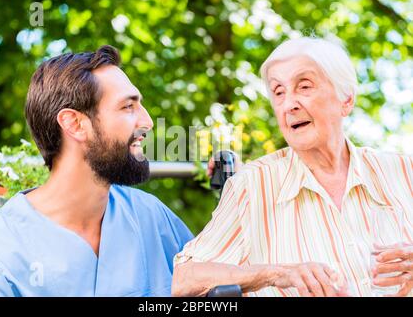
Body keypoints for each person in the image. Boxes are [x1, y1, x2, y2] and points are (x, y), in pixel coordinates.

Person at [172, 37, 413, 297]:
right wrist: (278, 274)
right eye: (278, 92)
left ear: (346, 100)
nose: (289, 104)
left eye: (304, 86)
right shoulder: (252, 186)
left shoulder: (403, 171)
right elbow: (183, 280)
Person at [0, 45, 194, 296]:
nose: (147, 122)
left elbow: (215, 276)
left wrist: (239, 188)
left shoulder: (152, 218)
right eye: (128, 107)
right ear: (75, 124)